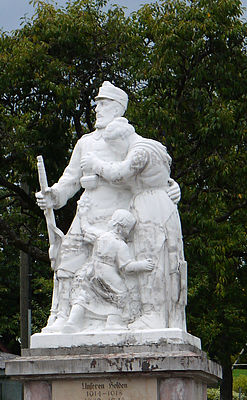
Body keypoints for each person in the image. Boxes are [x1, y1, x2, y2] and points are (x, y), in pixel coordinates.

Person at [36, 82, 183, 333]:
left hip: (120, 217)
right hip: (87, 211)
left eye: (103, 104)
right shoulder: (85, 143)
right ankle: (61, 316)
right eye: (97, 104)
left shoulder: (125, 140)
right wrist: (54, 196)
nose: (97, 109)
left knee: (116, 273)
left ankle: (117, 318)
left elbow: (149, 174)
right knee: (67, 262)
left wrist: (172, 186)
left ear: (118, 108)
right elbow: (70, 179)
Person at [80, 116, 187, 330]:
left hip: (151, 209)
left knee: (151, 259)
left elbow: (120, 174)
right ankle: (162, 316)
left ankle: (153, 316)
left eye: (116, 146)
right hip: (159, 205)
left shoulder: (140, 150)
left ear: (122, 138)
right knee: (163, 261)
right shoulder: (154, 147)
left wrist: (96, 164)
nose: (117, 152)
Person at [62, 209, 154, 332]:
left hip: (91, 270)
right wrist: (142, 265)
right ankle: (113, 323)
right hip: (108, 273)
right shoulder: (120, 245)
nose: (128, 233)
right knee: (120, 294)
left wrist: (82, 214)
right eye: (128, 230)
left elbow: (86, 228)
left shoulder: (101, 235)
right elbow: (127, 267)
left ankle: (73, 321)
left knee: (84, 294)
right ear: (121, 228)